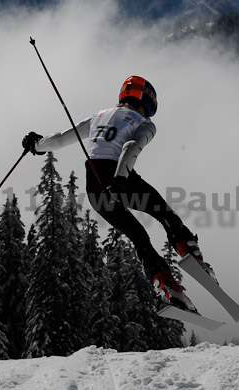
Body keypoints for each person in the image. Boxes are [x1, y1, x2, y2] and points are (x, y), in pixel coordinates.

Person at [22, 75, 216, 313]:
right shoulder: (144, 123)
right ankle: (193, 258)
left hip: (94, 188)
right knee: (164, 214)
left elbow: (62, 139)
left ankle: (168, 286)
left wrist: (37, 145)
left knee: (138, 236)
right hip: (119, 177)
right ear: (147, 100)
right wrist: (120, 180)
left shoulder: (98, 117)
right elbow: (129, 148)